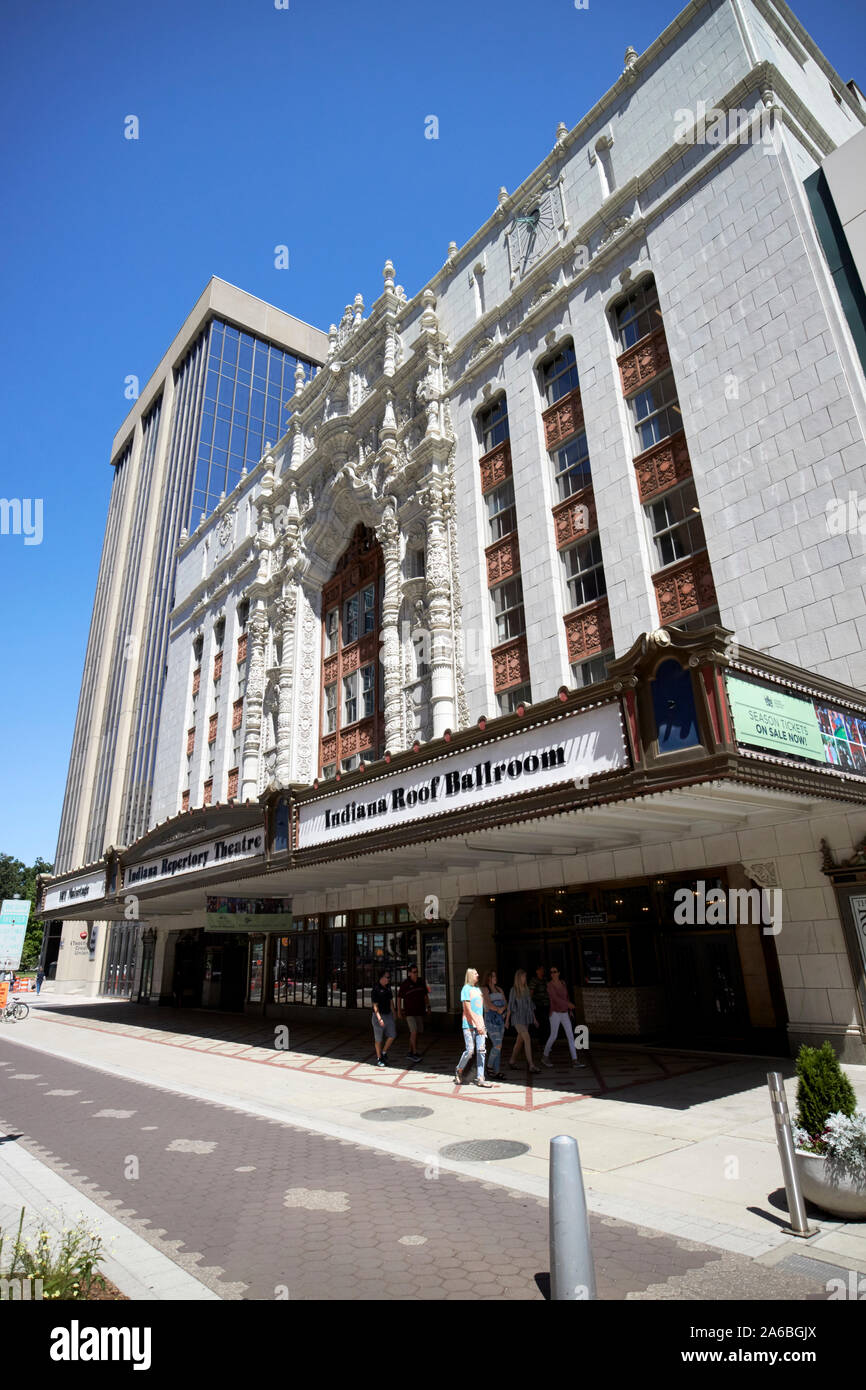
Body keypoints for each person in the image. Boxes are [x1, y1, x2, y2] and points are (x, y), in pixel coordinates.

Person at [541, 966, 586, 1068]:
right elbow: (555, 998)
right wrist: (568, 1004)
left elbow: (566, 997)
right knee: (553, 1035)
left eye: (555, 971)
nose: (553, 973)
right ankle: (545, 1056)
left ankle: (575, 1060)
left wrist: (569, 1009)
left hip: (564, 1012)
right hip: (555, 1013)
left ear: (559, 973)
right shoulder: (549, 985)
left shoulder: (563, 983)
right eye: (551, 972)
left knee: (570, 1035)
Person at [455, 967, 491, 1087]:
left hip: (480, 1024)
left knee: (481, 1050)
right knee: (470, 1050)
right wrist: (476, 1023)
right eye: (475, 973)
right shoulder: (466, 989)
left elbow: (482, 1008)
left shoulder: (478, 989)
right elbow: (467, 1009)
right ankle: (459, 1069)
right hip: (469, 1025)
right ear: (470, 975)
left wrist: (483, 1024)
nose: (478, 975)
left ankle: (481, 1077)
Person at [506, 969, 540, 1072]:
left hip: (526, 1018)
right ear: (519, 978)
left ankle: (512, 1061)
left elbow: (530, 1005)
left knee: (519, 1042)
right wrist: (507, 1020)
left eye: (525, 976)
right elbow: (510, 1006)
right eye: (523, 976)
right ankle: (531, 1065)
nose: (525, 978)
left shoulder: (526, 990)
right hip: (517, 1019)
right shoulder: (513, 990)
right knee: (527, 1038)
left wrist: (534, 1019)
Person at [397, 964, 430, 1061]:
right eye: (414, 972)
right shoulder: (405, 984)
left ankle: (410, 1051)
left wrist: (428, 1007)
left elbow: (425, 995)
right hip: (409, 1012)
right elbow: (399, 998)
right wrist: (399, 1011)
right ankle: (414, 1053)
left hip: (419, 1011)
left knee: (417, 1032)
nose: (416, 974)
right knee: (414, 1031)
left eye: (417, 972)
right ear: (409, 973)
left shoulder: (421, 982)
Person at [481, 970, 507, 1080]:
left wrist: (503, 1010)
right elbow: (487, 1004)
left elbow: (506, 1002)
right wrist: (498, 1009)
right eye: (493, 976)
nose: (495, 978)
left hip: (500, 1020)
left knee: (499, 1046)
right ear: (488, 978)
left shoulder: (499, 989)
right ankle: (489, 1066)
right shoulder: (484, 989)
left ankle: (497, 1072)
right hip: (490, 1021)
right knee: (497, 1045)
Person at [371, 969, 396, 1067]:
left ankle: (384, 1052)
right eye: (387, 977)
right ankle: (379, 1058)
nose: (389, 979)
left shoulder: (388, 987)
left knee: (392, 1035)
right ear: (381, 978)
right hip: (378, 1016)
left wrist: (394, 1013)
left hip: (388, 1015)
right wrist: (379, 1018)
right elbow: (375, 1006)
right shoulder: (376, 989)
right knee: (378, 1039)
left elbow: (391, 1001)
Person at [529, 964, 550, 1048]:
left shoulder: (545, 980)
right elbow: (530, 993)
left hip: (547, 1005)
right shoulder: (534, 980)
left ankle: (546, 1042)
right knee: (540, 1023)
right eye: (540, 969)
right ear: (537, 971)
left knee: (546, 1023)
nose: (542, 971)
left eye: (543, 969)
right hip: (538, 1005)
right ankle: (541, 1042)